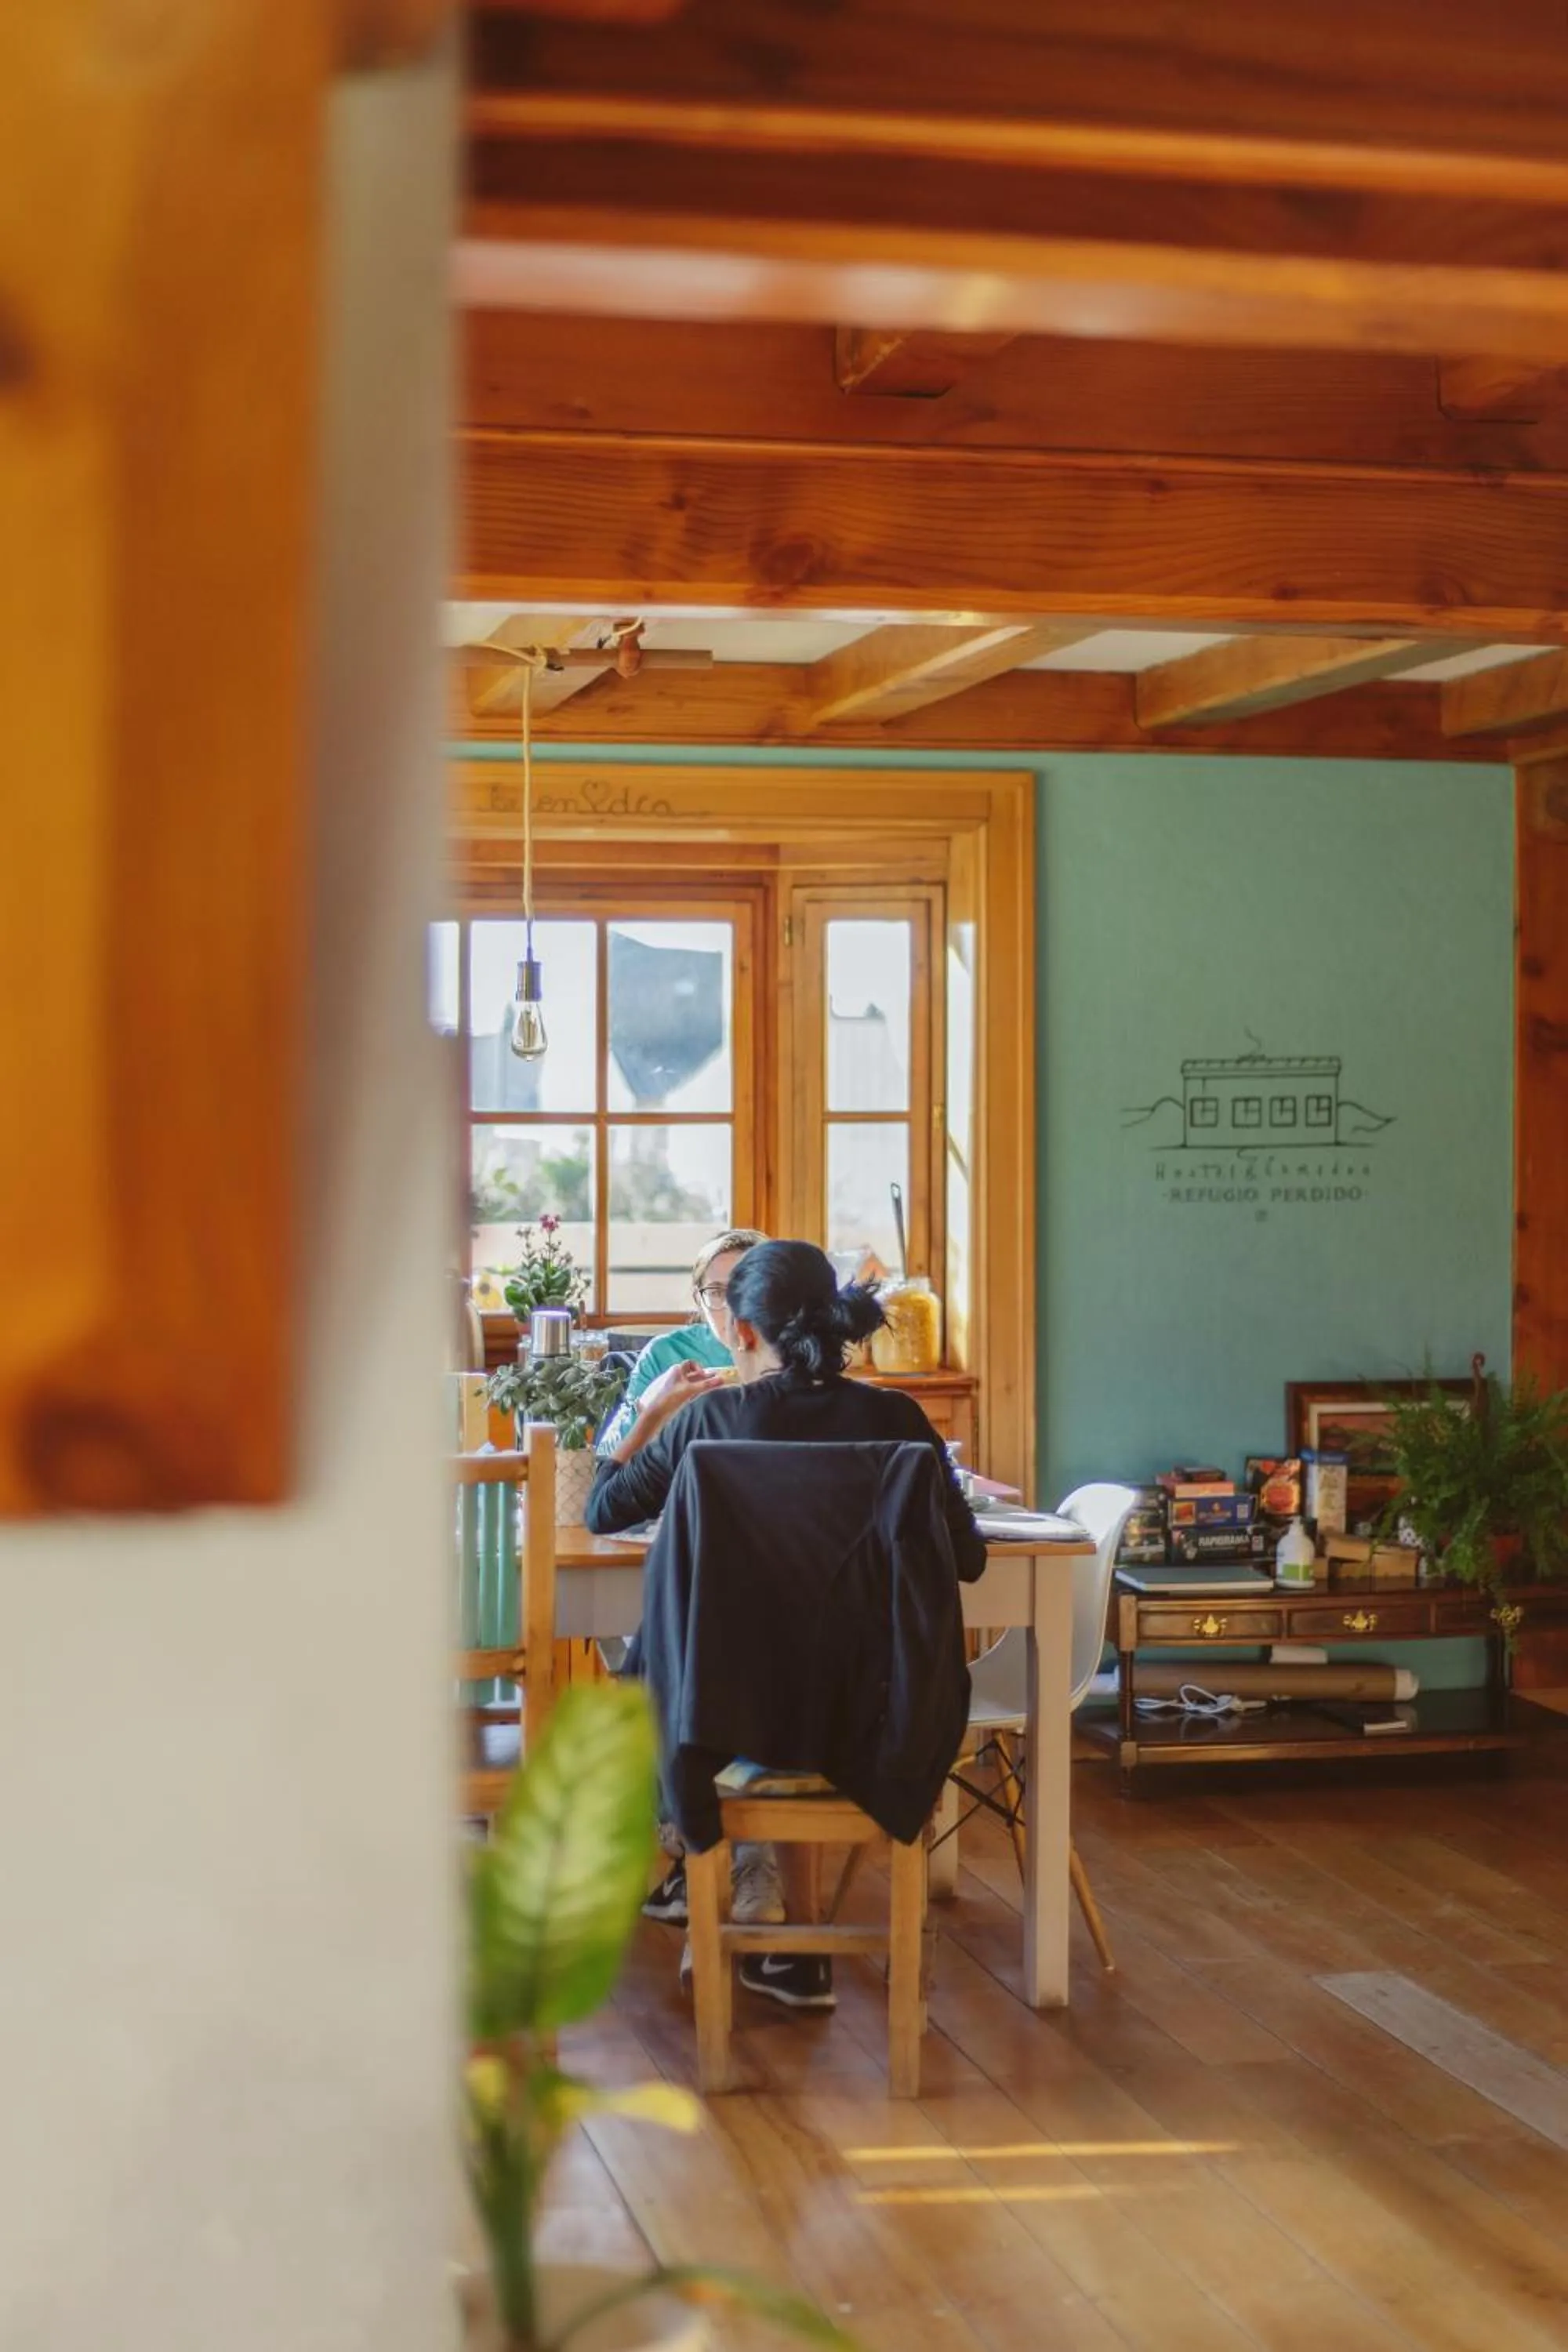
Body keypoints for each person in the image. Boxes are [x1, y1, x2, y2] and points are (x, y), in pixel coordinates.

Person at [588, 1238, 985, 2011]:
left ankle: (692, 1877)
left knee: (665, 1671)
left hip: (726, 1716)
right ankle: (787, 1946)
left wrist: (646, 1409)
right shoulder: (898, 1417)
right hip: (874, 1718)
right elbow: (965, 1560)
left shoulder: (707, 1421)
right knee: (804, 1677)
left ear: (738, 1331)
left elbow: (603, 1509)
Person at [594, 1227, 769, 1457]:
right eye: (717, 1292)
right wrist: (648, 1408)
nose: (731, 1308)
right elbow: (605, 1457)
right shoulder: (665, 1353)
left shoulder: (797, 1349)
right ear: (699, 1299)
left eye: (747, 1290)